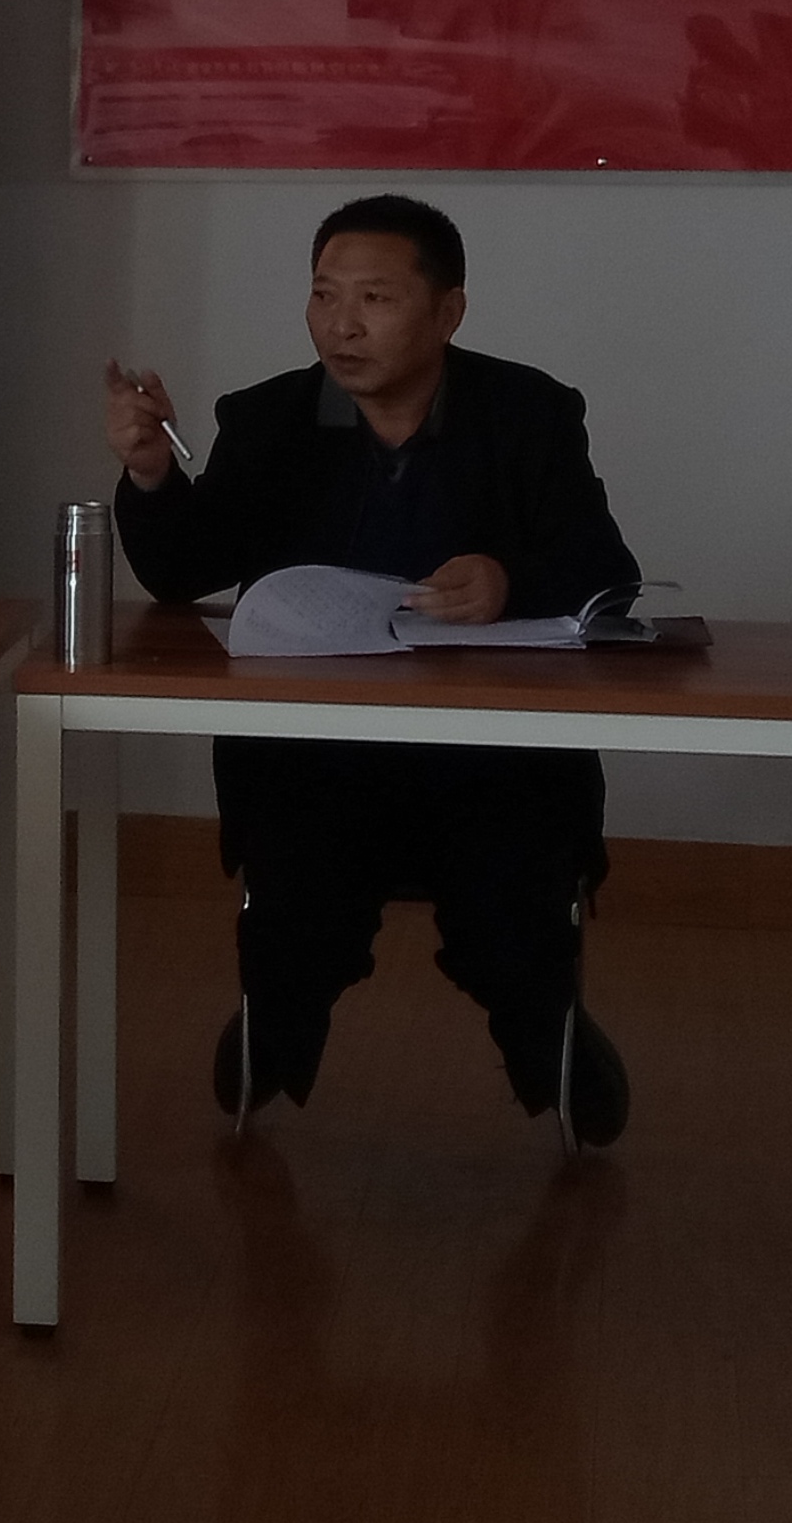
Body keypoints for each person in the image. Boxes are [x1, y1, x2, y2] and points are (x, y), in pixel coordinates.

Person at [106, 194, 642, 1147]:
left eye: (375, 299)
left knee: (510, 927)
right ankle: (276, 1022)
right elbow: (183, 570)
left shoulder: (528, 414)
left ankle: (546, 1034)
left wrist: (507, 580)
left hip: (491, 754)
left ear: (448, 312)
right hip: (318, 752)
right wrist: (152, 474)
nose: (341, 326)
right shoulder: (268, 420)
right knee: (299, 919)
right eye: (323, 295)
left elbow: (607, 570)